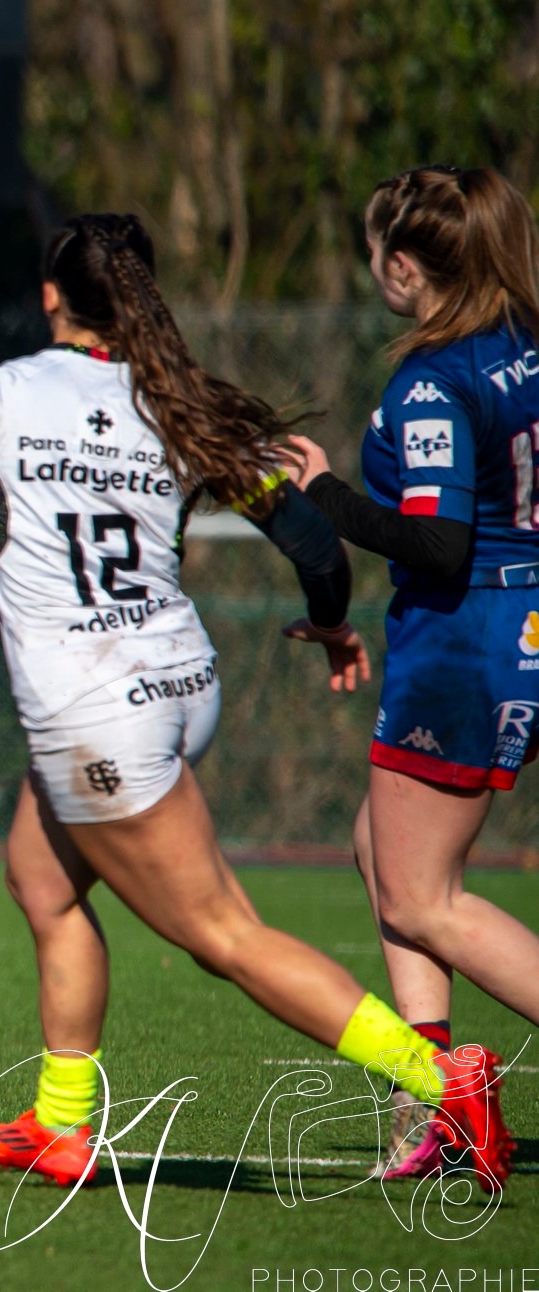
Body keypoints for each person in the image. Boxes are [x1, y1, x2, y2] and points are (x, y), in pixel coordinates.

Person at [0, 213, 511, 1191]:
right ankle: (62, 1121)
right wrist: (332, 624)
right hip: (179, 685)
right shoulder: (176, 400)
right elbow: (314, 546)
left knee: (224, 935)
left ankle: (441, 1079)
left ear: (50, 298)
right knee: (43, 880)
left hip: (96, 711)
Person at [278, 164, 539, 1181]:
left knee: (424, 898)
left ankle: (438, 1094)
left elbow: (434, 547)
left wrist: (325, 492)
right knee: (379, 851)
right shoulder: (524, 349)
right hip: (515, 624)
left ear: (404, 264)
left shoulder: (433, 380)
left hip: (465, 638)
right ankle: (435, 1094)